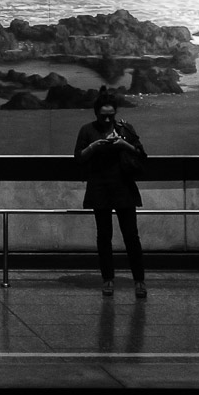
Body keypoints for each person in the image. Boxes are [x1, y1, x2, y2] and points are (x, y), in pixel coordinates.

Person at [74, 85, 147, 298]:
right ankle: (107, 279)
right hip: (99, 185)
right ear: (96, 113)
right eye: (103, 116)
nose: (107, 120)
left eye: (111, 116)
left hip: (123, 185)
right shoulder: (87, 130)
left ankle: (139, 281)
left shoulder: (125, 128)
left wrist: (124, 144)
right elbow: (78, 157)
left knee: (131, 236)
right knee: (104, 236)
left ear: (115, 113)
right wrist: (94, 146)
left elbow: (142, 156)